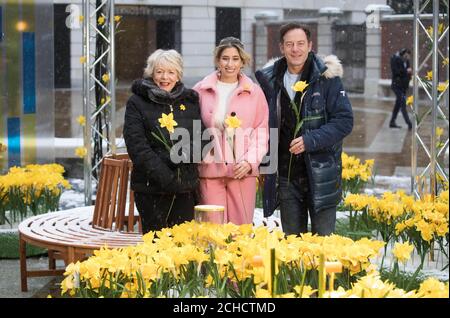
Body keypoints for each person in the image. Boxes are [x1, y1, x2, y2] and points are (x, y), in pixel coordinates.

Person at [255, 23, 353, 236]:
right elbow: (263, 125)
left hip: (321, 174)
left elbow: (344, 121)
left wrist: (311, 140)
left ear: (310, 45)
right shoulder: (270, 80)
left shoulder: (327, 78)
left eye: (300, 44)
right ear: (281, 47)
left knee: (322, 247)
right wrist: (264, 163)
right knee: (293, 247)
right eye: (289, 44)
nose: (295, 49)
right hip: (287, 177)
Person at [123, 49, 203, 233]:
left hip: (184, 189)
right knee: (156, 248)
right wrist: (166, 175)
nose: (164, 77)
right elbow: (137, 146)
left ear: (178, 75)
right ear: (152, 73)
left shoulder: (190, 101)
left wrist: (178, 159)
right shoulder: (137, 102)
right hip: (151, 189)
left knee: (182, 249)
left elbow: (201, 139)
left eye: (170, 72)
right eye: (159, 71)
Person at [193, 37, 269, 225]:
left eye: (235, 59)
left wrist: (250, 161)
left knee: (240, 229)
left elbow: (261, 132)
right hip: (210, 170)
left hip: (242, 171)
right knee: (212, 228)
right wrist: (200, 154)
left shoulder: (255, 92)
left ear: (243, 61)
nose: (230, 64)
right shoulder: (200, 90)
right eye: (225, 58)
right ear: (218, 60)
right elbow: (191, 127)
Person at [389, 48, 413, 129]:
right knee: (402, 102)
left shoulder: (406, 61)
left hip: (403, 87)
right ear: (404, 53)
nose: (408, 57)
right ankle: (409, 123)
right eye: (407, 55)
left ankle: (392, 122)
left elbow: (409, 73)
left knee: (398, 104)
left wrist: (408, 75)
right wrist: (406, 71)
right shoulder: (395, 59)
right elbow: (396, 72)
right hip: (397, 86)